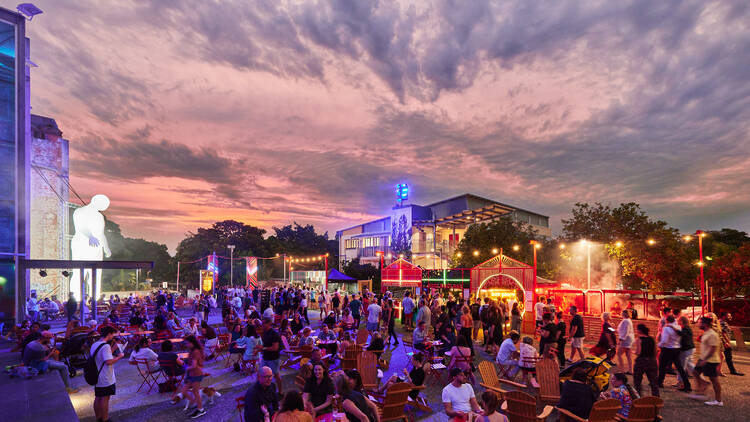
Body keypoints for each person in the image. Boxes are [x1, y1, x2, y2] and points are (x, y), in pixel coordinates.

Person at [91, 325, 123, 422]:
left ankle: (99, 418)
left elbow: (101, 357)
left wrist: (112, 349)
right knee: (105, 398)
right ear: (109, 334)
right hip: (105, 376)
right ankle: (105, 419)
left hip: (97, 374)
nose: (113, 336)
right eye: (112, 334)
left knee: (98, 397)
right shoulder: (105, 346)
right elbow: (108, 362)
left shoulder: (95, 344)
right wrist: (119, 356)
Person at [689, 317, 723, 406]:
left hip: (710, 360)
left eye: (700, 323)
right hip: (704, 358)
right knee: (695, 372)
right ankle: (702, 389)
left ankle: (718, 401)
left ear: (705, 324)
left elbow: (713, 348)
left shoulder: (712, 334)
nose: (698, 324)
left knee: (714, 380)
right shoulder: (706, 333)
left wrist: (705, 360)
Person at [657, 315, 690, 392]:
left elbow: (665, 340)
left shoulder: (666, 328)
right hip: (676, 348)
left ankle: (660, 382)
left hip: (667, 348)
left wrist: (660, 345)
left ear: (667, 320)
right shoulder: (678, 327)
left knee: (662, 366)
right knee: (679, 367)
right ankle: (687, 384)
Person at [180, 335, 207, 418]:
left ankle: (200, 409)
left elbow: (194, 365)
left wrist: (187, 368)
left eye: (187, 343)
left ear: (192, 343)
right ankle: (196, 403)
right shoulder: (192, 350)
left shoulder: (195, 351)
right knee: (184, 390)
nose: (186, 345)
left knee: (195, 392)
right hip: (192, 374)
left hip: (196, 374)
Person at [633, 324, 659, 397]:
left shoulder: (639, 339)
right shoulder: (651, 339)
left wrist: (633, 352)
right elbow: (655, 351)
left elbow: (638, 352)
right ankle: (656, 398)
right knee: (654, 382)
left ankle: (638, 398)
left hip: (641, 361)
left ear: (639, 330)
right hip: (652, 361)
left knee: (637, 382)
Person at [261, 317, 283, 392]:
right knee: (262, 373)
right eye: (262, 323)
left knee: (276, 375)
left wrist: (263, 348)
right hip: (265, 357)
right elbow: (265, 344)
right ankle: (264, 390)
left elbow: (275, 348)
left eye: (264, 323)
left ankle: (280, 391)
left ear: (269, 323)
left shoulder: (274, 334)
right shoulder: (264, 332)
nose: (262, 325)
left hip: (273, 358)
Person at [677, 316, 695, 391]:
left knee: (681, 366)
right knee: (689, 365)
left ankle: (681, 382)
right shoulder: (688, 328)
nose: (677, 322)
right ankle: (700, 378)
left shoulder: (685, 329)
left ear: (681, 321)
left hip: (686, 349)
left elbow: (682, 334)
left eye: (679, 321)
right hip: (690, 348)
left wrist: (673, 328)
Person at [617, 309, 635, 374]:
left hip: (625, 340)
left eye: (622, 313)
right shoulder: (629, 320)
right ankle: (630, 370)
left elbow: (625, 331)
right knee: (628, 355)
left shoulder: (625, 321)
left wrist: (621, 339)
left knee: (619, 354)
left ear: (624, 314)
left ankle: (622, 370)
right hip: (629, 340)